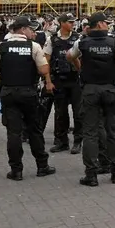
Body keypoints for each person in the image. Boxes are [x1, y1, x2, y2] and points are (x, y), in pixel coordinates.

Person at [0, 16, 56, 181]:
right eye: (31, 29)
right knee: (34, 130)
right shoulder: (33, 46)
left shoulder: (0, 46)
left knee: (13, 133)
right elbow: (43, 69)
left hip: (8, 93)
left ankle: (16, 170)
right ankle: (42, 166)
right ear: (23, 29)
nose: (33, 32)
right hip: (28, 93)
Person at [68, 13, 115, 186]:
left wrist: (80, 68)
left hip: (89, 90)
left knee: (90, 132)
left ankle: (91, 174)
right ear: (100, 24)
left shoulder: (81, 42)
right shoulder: (114, 41)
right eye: (106, 23)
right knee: (114, 131)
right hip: (110, 90)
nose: (108, 25)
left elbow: (69, 56)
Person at [45, 13, 82, 154]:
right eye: (69, 22)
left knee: (79, 113)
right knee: (60, 112)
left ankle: (78, 141)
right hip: (59, 80)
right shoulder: (52, 40)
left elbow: (83, 60)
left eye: (73, 22)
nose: (72, 24)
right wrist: (48, 81)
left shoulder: (78, 38)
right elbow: (46, 61)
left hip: (75, 80)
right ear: (61, 23)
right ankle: (62, 141)